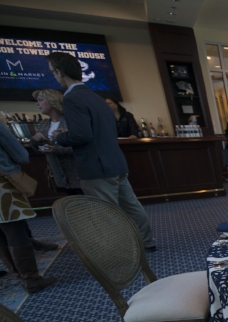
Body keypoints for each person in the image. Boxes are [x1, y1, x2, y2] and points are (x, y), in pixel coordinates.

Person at [46, 52, 156, 251]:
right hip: (115, 161)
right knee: (131, 206)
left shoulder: (71, 98)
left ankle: (121, 251)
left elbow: (82, 136)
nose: (53, 76)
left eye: (52, 72)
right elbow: (100, 130)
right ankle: (146, 242)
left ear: (60, 72)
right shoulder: (96, 97)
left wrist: (59, 137)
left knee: (107, 212)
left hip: (96, 165)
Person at [0, 121, 57, 293]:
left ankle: (20, 276)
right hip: (3, 183)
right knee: (15, 231)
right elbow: (21, 156)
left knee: (2, 232)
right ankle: (31, 279)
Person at [29, 89, 82, 196]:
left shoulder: (71, 121)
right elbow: (36, 148)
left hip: (79, 175)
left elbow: (81, 146)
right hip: (60, 176)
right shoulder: (44, 123)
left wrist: (55, 149)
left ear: (52, 101)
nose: (37, 103)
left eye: (40, 100)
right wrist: (34, 140)